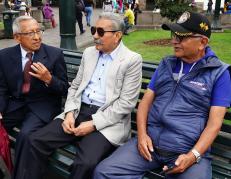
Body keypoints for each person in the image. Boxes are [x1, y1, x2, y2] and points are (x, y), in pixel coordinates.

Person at [94, 11, 231, 179]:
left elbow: (214, 125)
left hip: (186, 149)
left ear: (202, 42)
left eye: (182, 37)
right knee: (104, 172)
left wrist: (192, 155)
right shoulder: (166, 64)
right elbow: (145, 103)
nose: (174, 41)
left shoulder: (218, 73)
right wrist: (142, 135)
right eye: (174, 35)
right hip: (150, 144)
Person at [23, 12, 142, 179]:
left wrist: (93, 124)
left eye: (100, 32)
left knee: (85, 163)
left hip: (106, 121)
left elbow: (126, 104)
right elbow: (75, 87)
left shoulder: (131, 60)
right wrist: (70, 113)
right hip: (78, 111)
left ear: (117, 36)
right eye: (93, 30)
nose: (94, 35)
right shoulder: (89, 53)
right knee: (34, 141)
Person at [0, 15, 69, 179]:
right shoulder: (4, 56)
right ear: (17, 37)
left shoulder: (54, 55)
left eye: (39, 31)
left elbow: (65, 89)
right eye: (30, 33)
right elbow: (1, 88)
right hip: (15, 104)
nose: (37, 37)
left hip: (41, 107)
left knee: (26, 136)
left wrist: (49, 79)